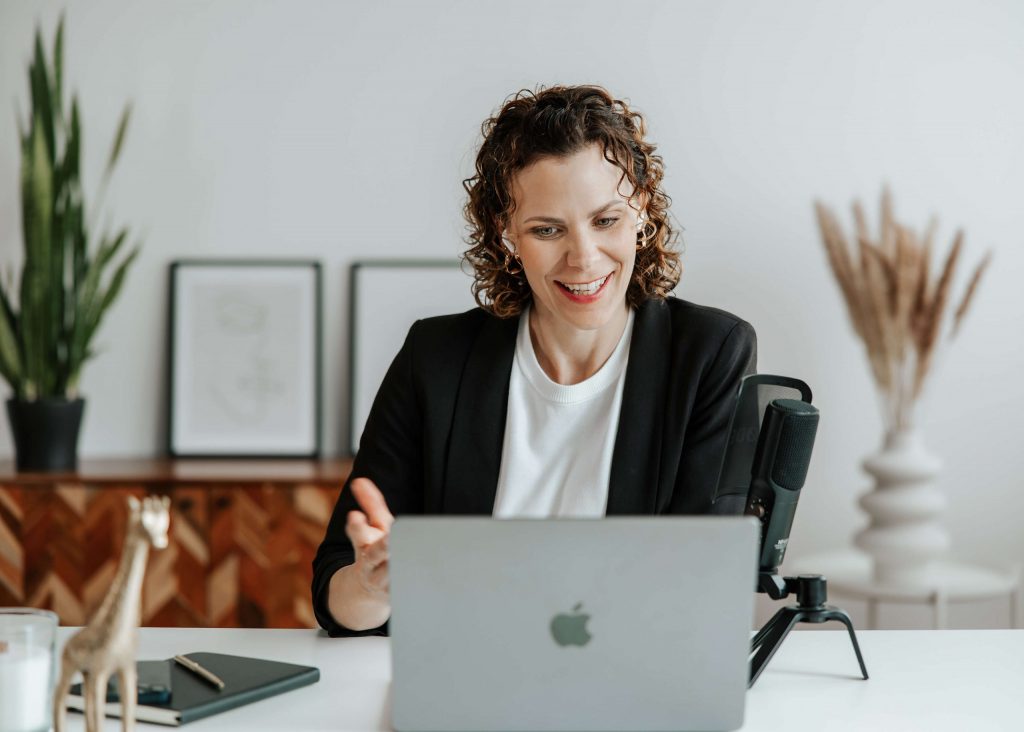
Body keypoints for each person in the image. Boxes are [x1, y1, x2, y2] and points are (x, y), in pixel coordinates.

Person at [312, 84, 757, 637]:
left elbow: (702, 588)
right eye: (547, 230)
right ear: (506, 235)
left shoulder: (709, 354)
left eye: (606, 220)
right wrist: (372, 588)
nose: (584, 257)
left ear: (641, 209)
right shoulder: (435, 360)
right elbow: (336, 597)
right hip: (464, 688)